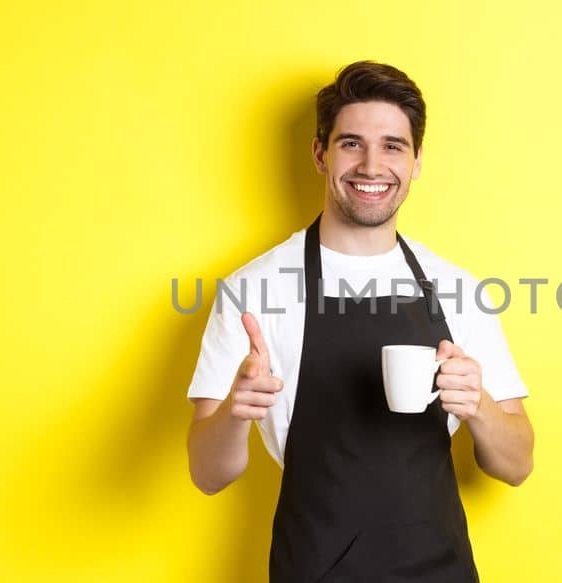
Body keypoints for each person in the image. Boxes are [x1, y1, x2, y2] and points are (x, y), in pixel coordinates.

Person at [184, 60, 535, 582]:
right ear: (320, 154)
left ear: (416, 161)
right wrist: (235, 415)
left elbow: (516, 464)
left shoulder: (459, 289)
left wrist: (478, 407)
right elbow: (207, 475)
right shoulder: (252, 289)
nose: (372, 165)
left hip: (440, 570)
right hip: (312, 569)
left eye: (393, 145)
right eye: (351, 143)